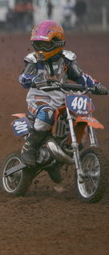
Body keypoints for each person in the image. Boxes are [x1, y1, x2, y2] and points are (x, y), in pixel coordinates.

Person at [18, 20, 108, 174]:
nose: (41, 49)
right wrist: (33, 80)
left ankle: (57, 159)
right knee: (47, 113)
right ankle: (29, 148)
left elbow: (81, 77)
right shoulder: (34, 60)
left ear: (57, 43)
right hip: (39, 99)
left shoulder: (67, 60)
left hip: (60, 98)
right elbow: (24, 78)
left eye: (45, 45)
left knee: (76, 117)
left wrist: (96, 85)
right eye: (38, 44)